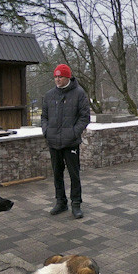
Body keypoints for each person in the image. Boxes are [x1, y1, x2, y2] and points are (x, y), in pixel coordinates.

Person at [41, 63, 91, 219]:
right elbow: (44, 117)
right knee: (57, 174)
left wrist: (73, 133)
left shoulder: (79, 94)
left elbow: (84, 117)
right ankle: (60, 202)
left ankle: (76, 204)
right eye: (55, 76)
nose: (57, 79)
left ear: (67, 77)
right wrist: (46, 131)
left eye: (60, 76)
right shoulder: (49, 95)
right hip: (53, 142)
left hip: (71, 143)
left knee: (74, 175)